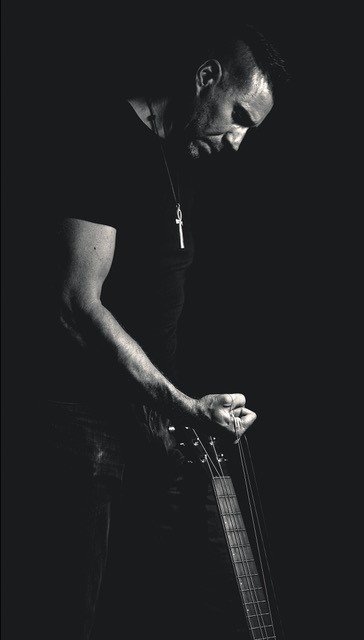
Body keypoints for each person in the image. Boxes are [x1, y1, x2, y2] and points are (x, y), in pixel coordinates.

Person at [33, 22, 288, 640]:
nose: (237, 141)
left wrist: (185, 411)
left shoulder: (177, 159)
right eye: (238, 117)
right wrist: (179, 403)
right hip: (79, 430)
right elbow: (74, 304)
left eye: (250, 130)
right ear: (206, 77)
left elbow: (150, 307)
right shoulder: (101, 135)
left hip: (141, 424)